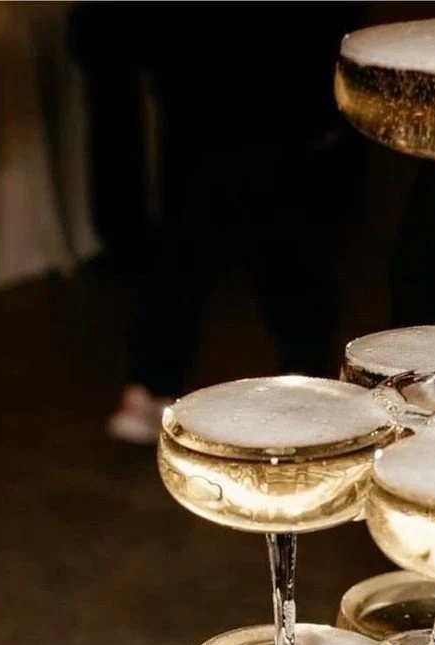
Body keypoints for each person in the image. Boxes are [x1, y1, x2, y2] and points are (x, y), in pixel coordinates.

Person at [71, 2, 363, 445]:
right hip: (203, 77)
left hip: (278, 81)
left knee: (286, 241)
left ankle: (305, 390)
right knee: (194, 237)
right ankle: (155, 381)